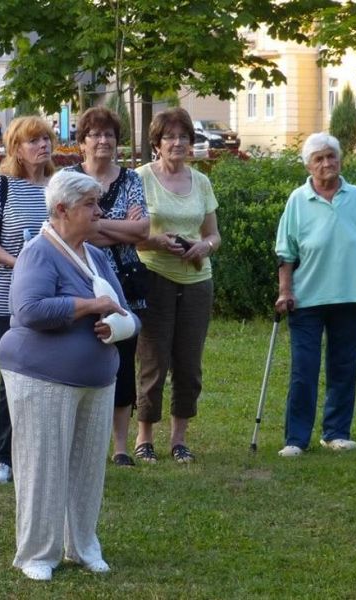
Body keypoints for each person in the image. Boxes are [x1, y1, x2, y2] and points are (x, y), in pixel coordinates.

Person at [0, 169, 139, 581]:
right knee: (43, 466)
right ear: (61, 209)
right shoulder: (38, 252)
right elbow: (29, 310)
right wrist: (89, 307)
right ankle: (37, 553)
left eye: (99, 202)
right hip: (42, 378)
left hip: (97, 379)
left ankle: (83, 545)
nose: (100, 211)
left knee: (87, 468)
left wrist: (119, 326)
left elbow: (124, 309)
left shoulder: (95, 255)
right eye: (90, 205)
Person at [274, 133, 356, 457]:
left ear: (340, 159)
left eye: (331, 157)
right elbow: (285, 252)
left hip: (350, 296)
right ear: (309, 166)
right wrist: (285, 291)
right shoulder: (298, 200)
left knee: (344, 367)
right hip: (307, 299)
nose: (327, 163)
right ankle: (296, 438)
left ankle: (336, 432)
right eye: (319, 159)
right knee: (304, 371)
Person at [133, 108, 220, 465]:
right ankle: (144, 437)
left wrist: (205, 246)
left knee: (188, 363)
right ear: (156, 143)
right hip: (155, 278)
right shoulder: (139, 179)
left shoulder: (201, 182)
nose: (177, 143)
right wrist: (157, 241)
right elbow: (131, 235)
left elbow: (214, 233)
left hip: (198, 281)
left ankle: (179, 439)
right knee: (153, 360)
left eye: (183, 136)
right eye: (169, 137)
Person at [0, 116, 53, 484]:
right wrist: (19, 262)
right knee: (13, 375)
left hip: (53, 296)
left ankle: (43, 453)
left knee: (51, 374)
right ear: (16, 149)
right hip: (8, 298)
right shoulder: (2, 187)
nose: (43, 146)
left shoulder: (59, 186)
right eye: (33, 141)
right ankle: (3, 457)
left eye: (46, 139)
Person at [64, 106, 149, 466]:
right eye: (95, 135)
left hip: (124, 283)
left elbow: (142, 231)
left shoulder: (131, 180)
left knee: (123, 362)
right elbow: (65, 231)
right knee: (78, 356)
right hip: (78, 279)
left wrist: (95, 228)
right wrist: (118, 228)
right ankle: (81, 443)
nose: (103, 141)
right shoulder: (67, 179)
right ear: (82, 142)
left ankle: (120, 447)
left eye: (110, 135)